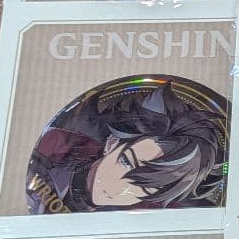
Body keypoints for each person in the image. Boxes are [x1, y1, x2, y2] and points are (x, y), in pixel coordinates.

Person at [27, 84, 228, 214]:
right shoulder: (50, 149)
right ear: (112, 143)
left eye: (145, 187)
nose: (118, 188)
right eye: (126, 162)